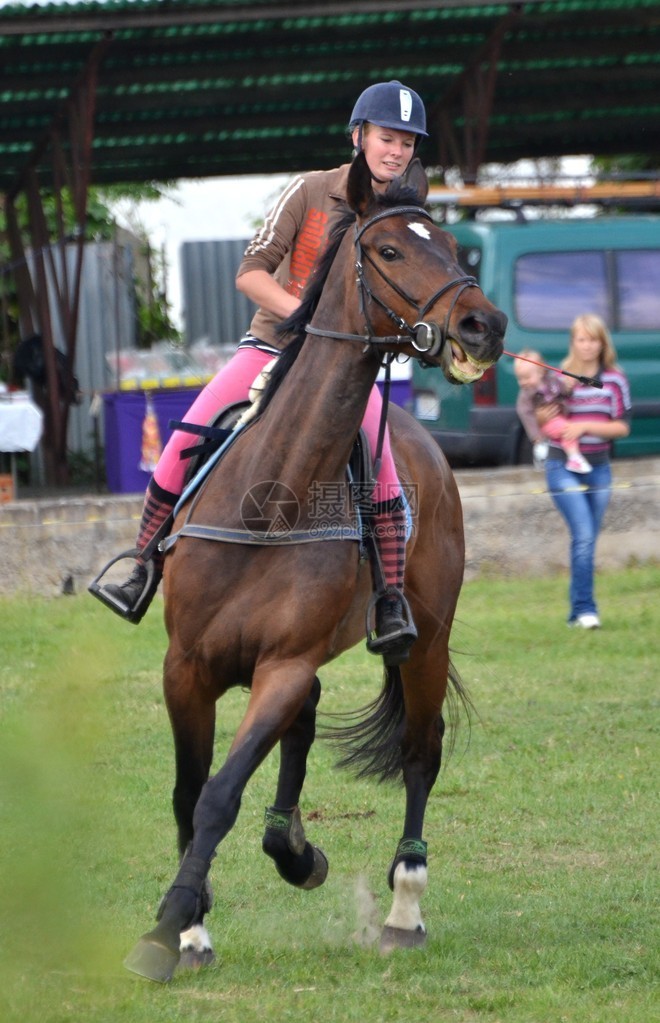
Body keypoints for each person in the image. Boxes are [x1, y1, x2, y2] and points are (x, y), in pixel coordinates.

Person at [98, 80, 428, 660]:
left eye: (406, 142)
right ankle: (141, 566)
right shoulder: (306, 191)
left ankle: (390, 599)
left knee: (386, 479)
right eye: (386, 137)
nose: (396, 151)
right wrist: (304, 317)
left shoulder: (404, 212)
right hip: (271, 349)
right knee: (183, 441)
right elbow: (250, 274)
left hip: (349, 367)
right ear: (358, 137)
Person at [536, 314, 631, 629]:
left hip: (600, 469)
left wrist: (585, 426)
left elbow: (622, 427)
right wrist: (542, 417)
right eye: (581, 339)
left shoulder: (615, 380)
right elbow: (541, 416)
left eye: (594, 340)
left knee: (585, 539)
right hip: (562, 465)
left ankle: (577, 613)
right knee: (585, 536)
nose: (588, 346)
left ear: (602, 344)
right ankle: (586, 609)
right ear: (573, 343)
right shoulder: (560, 378)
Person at [514, 350, 591, 473]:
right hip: (545, 423)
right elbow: (525, 414)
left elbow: (563, 392)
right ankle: (574, 458)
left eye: (527, 377)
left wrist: (568, 388)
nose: (523, 382)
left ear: (540, 372)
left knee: (566, 434)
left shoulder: (552, 381)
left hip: (559, 417)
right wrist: (536, 436)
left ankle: (544, 455)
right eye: (520, 378)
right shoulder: (526, 395)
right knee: (568, 430)